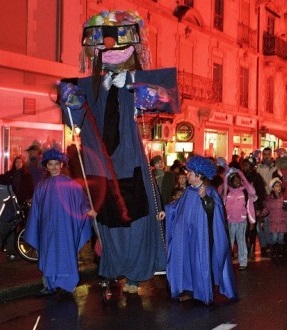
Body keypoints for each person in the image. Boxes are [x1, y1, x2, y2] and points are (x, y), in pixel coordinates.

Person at [57, 10, 177, 294]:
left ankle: (136, 273)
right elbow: (71, 111)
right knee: (107, 219)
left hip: (128, 164)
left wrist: (137, 86)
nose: (110, 47)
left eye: (118, 41)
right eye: (103, 42)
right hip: (101, 165)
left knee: (134, 218)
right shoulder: (90, 86)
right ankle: (113, 267)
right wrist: (70, 102)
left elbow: (166, 96)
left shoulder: (135, 83)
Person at [159, 156, 237, 304]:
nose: (187, 175)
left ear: (198, 175)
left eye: (190, 173)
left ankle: (203, 293)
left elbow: (214, 213)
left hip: (203, 236)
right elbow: (177, 207)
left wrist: (205, 199)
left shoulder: (209, 191)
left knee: (200, 262)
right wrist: (165, 212)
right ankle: (191, 291)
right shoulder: (188, 191)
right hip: (187, 235)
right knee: (188, 262)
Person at [23, 148, 96, 295]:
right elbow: (36, 210)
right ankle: (49, 283)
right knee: (49, 253)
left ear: (61, 165)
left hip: (65, 229)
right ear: (47, 166)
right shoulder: (41, 186)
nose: (54, 167)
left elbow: (81, 201)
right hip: (47, 229)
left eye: (57, 164)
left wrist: (87, 210)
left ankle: (66, 284)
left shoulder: (71, 185)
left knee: (65, 253)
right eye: (51, 164)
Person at [221, 168, 257, 270]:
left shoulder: (245, 192)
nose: (238, 182)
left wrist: (252, 221)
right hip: (230, 222)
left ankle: (243, 262)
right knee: (229, 242)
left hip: (242, 221)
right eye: (235, 180)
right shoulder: (227, 192)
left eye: (239, 180)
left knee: (241, 241)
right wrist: (226, 177)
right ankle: (226, 262)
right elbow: (222, 204)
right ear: (230, 181)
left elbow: (250, 206)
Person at [0, 156, 34, 260]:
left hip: (22, 202)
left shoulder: (27, 176)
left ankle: (23, 246)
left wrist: (30, 198)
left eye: (20, 162)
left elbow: (31, 188)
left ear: (23, 163)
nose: (18, 164)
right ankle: (12, 249)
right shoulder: (10, 174)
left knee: (24, 225)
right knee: (12, 227)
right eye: (16, 162)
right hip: (11, 203)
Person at [241, 156, 267, 258]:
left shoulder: (256, 177)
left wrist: (259, 207)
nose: (245, 167)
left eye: (246, 165)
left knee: (252, 227)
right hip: (242, 205)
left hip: (254, 205)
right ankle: (245, 245)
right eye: (244, 165)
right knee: (244, 227)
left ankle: (250, 245)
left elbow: (261, 192)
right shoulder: (241, 176)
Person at [264, 178, 287, 262]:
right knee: (275, 237)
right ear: (272, 188)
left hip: (282, 222)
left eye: (279, 185)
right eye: (276, 186)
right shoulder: (270, 199)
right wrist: (261, 214)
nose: (278, 187)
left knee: (281, 238)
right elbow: (267, 209)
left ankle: (280, 251)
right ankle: (273, 251)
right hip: (273, 222)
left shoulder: (284, 197)